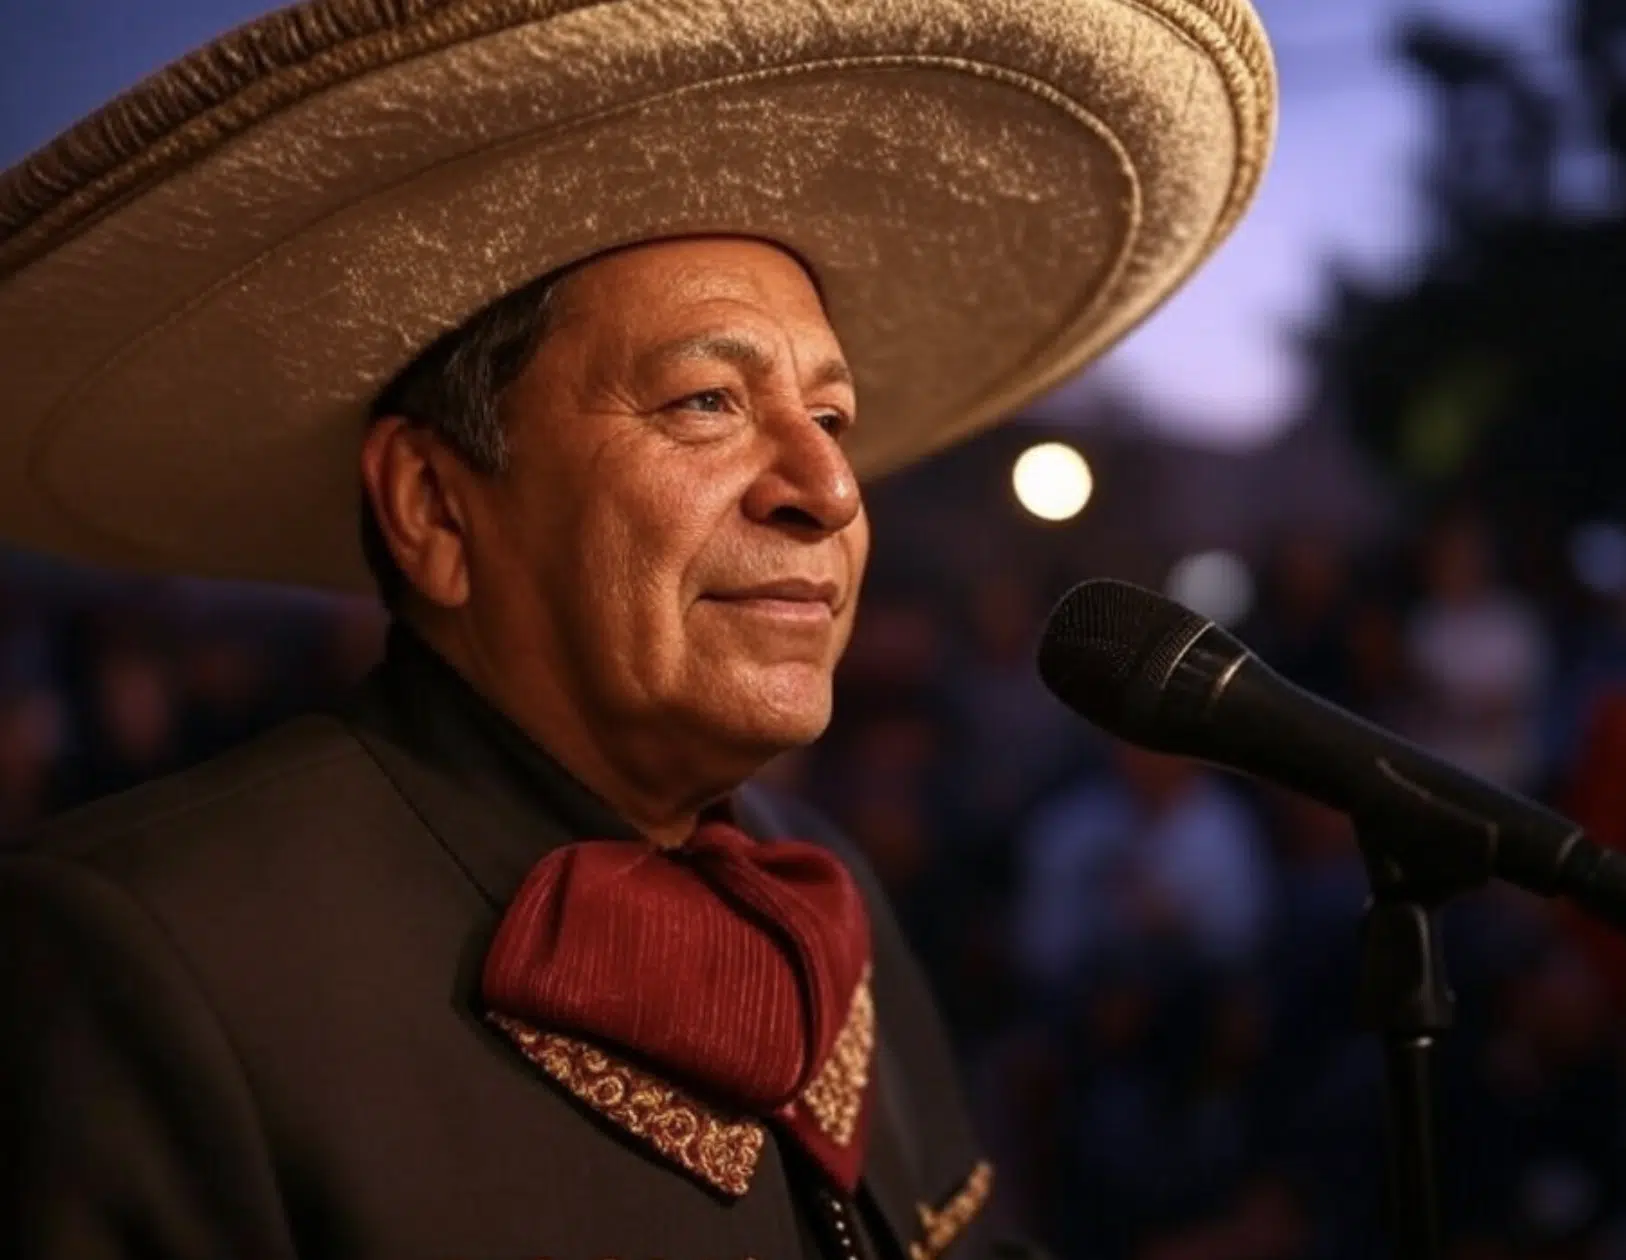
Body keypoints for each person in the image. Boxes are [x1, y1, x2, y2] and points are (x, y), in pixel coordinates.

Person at [0, 0, 1276, 1255]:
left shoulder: (816, 876)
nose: (830, 490)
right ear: (434, 507)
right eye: (707, 400)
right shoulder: (146, 954)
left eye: (833, 421)